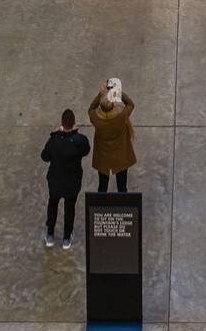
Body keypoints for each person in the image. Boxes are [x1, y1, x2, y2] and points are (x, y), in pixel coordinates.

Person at [40, 108, 90, 250]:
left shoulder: (54, 141)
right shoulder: (80, 140)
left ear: (61, 122)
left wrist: (55, 133)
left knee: (53, 205)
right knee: (70, 208)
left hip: (55, 181)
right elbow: (86, 150)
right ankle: (66, 238)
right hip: (72, 182)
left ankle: (50, 234)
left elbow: (44, 157)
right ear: (74, 122)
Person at [88, 80, 136, 192]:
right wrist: (117, 91)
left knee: (102, 187)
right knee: (122, 187)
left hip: (103, 158)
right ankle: (124, 208)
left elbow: (91, 108)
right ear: (113, 104)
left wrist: (100, 94)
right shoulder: (121, 116)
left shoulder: (96, 119)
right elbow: (130, 104)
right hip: (121, 157)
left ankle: (100, 208)